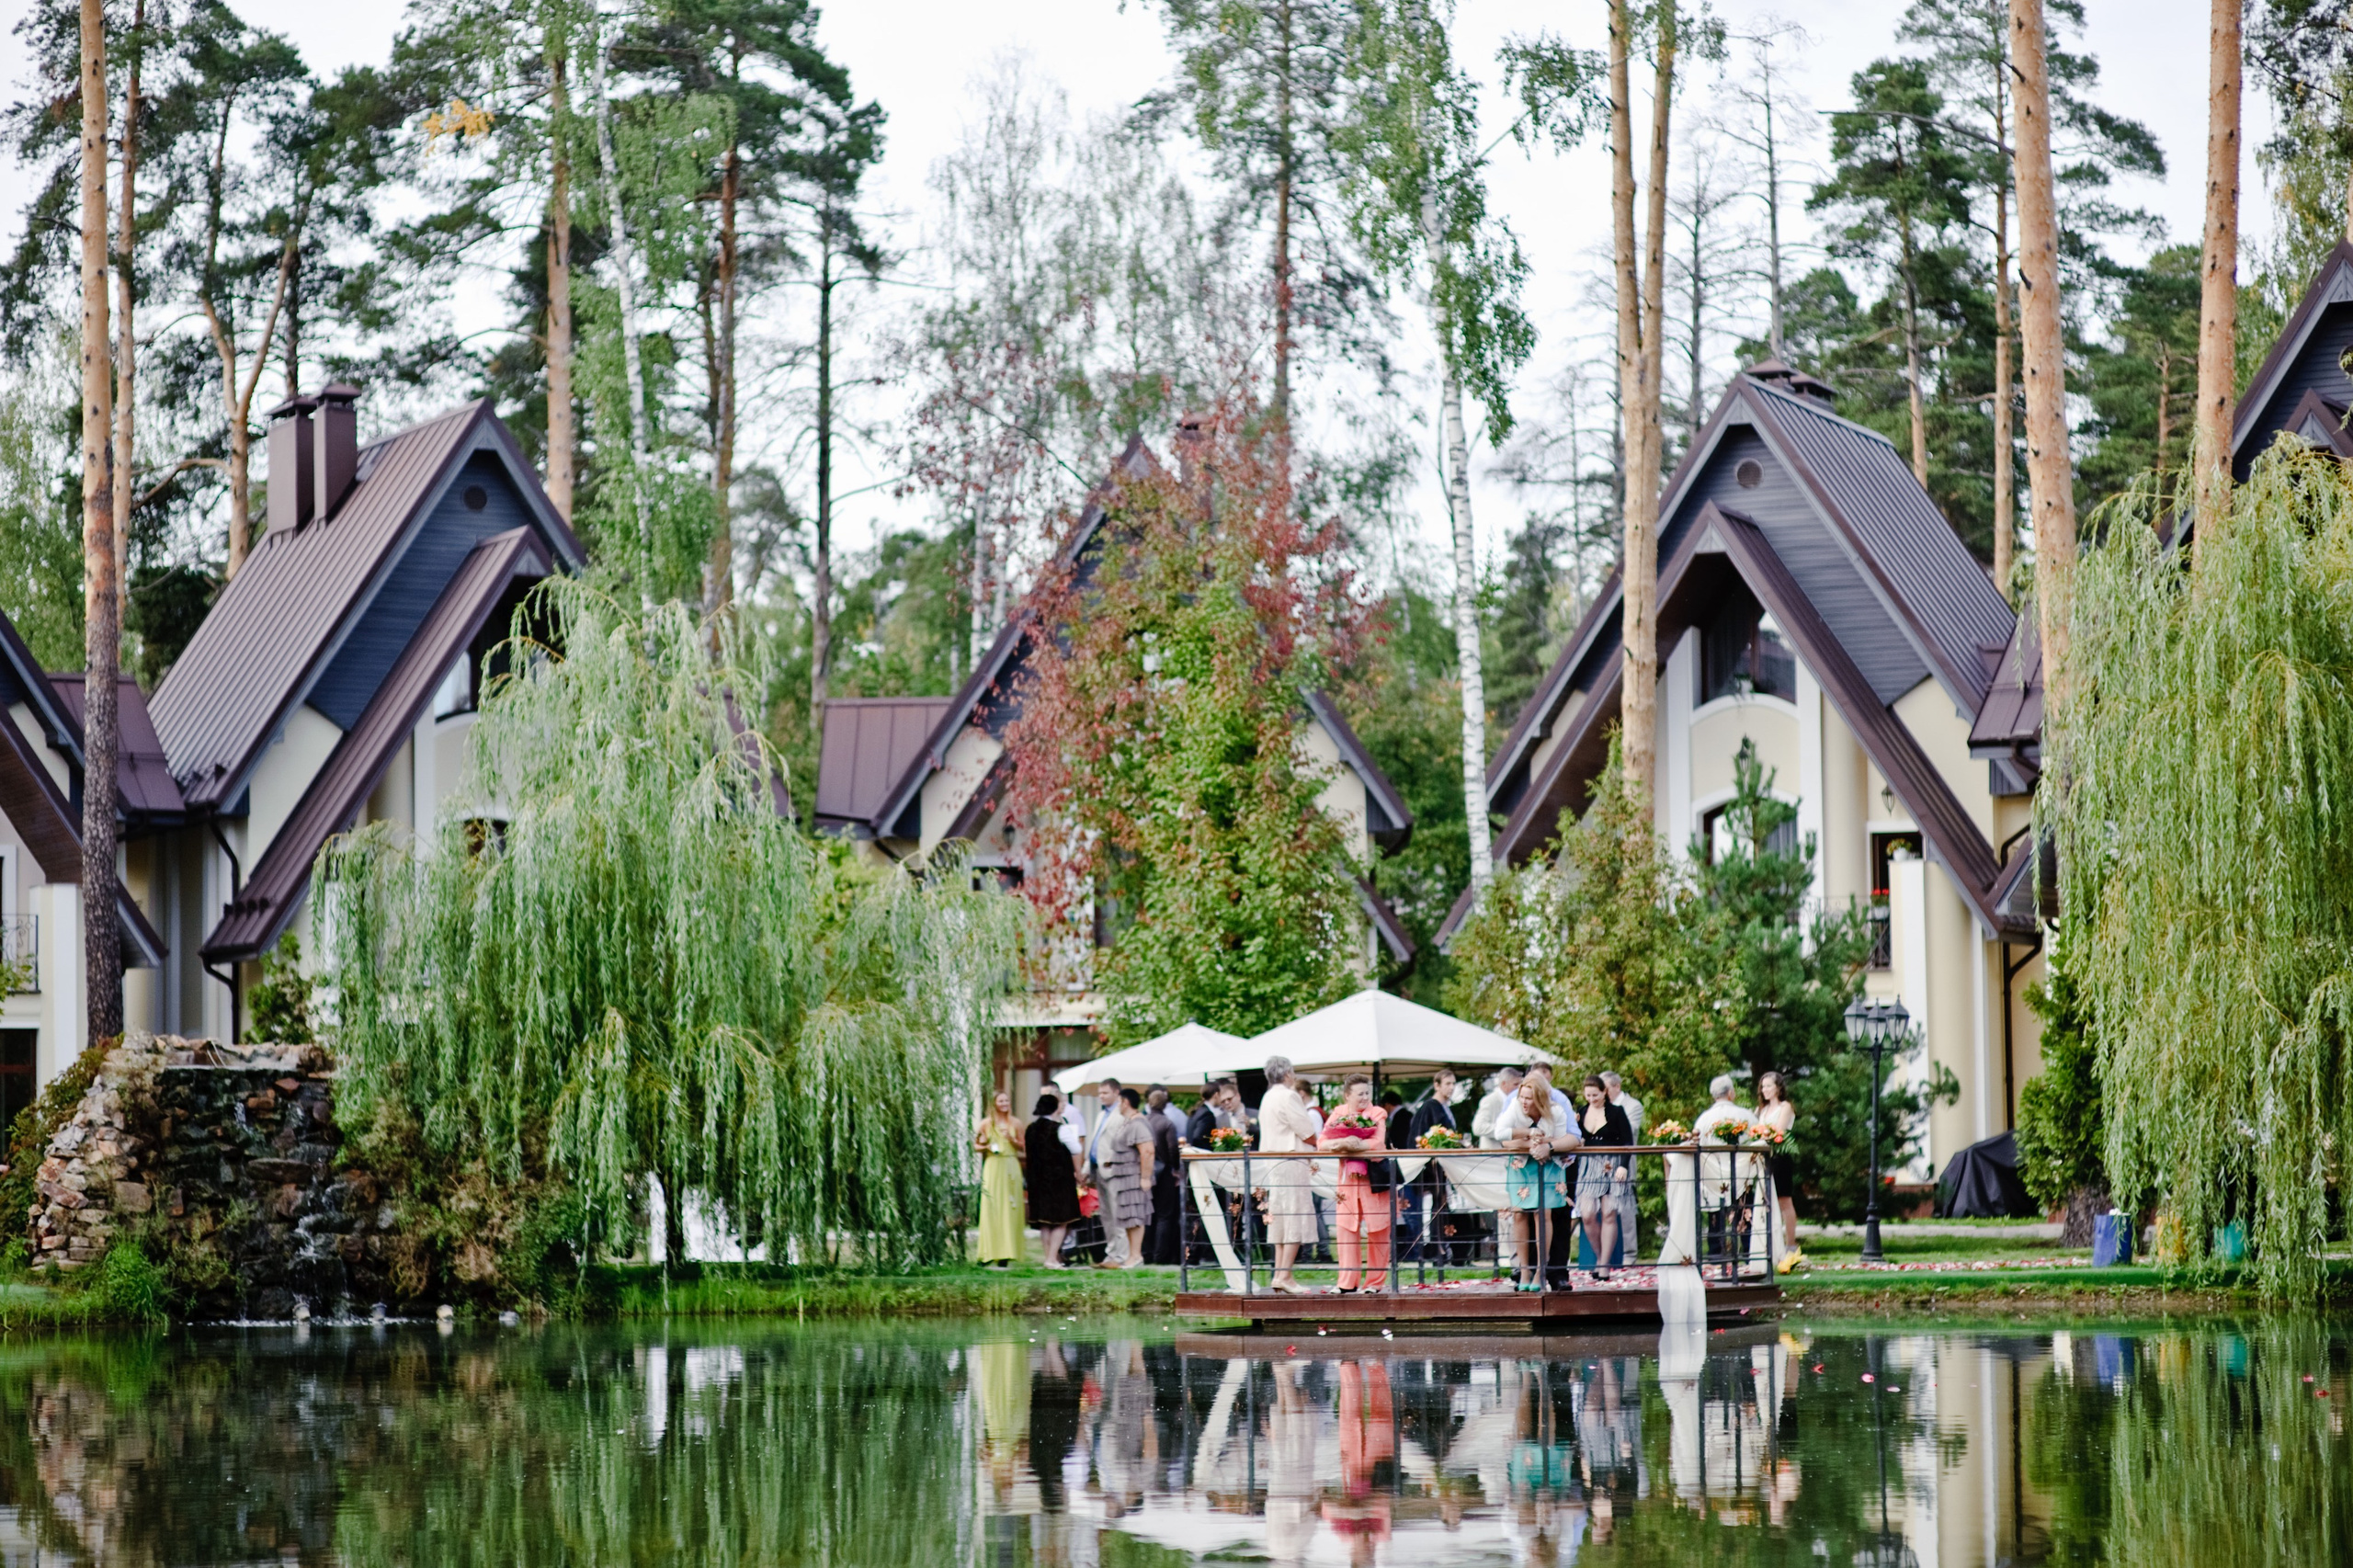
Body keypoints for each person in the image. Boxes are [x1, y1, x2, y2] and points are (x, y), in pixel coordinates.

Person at [1495, 1075, 1578, 1290]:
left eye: (1529, 1098)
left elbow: (1565, 1138)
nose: (1523, 1101)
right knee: (1519, 1213)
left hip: (1548, 1163)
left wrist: (1545, 1144)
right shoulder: (1514, 1107)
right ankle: (1524, 1270)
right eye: (1522, 1096)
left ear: (1540, 1099)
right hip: (1521, 1164)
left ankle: (1542, 1269)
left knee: (1544, 1214)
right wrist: (1528, 1134)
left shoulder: (1557, 1111)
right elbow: (1500, 1134)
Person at [1316, 1073, 1394, 1292]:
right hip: (1348, 1180)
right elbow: (1322, 1141)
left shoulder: (1377, 1112)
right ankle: (1346, 1283)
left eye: (1367, 1093)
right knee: (1345, 1229)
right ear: (1347, 1095)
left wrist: (1352, 1145)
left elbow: (1377, 1142)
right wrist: (1342, 1142)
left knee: (1378, 1229)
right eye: (1360, 1094)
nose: (1364, 1097)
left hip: (1374, 1177)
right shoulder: (1338, 1113)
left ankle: (1374, 1283)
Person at [1256, 1055, 1324, 1294]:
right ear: (1286, 1074)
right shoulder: (1289, 1095)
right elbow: (1306, 1131)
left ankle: (1280, 1273)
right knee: (1295, 1215)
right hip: (1291, 1160)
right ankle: (1285, 1274)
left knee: (1281, 1218)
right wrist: (1324, 1143)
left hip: (1274, 1162)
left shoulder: (1267, 1097)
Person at [1571, 1075, 1635, 1280]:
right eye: (1588, 1095)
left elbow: (1628, 1141)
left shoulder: (1617, 1112)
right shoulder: (1581, 1112)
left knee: (1609, 1213)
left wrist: (1623, 1166)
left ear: (1604, 1092)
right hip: (1589, 1165)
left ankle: (1605, 1263)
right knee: (1587, 1213)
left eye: (1595, 1095)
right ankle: (1599, 1257)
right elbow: (1576, 1137)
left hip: (1613, 1164)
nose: (1591, 1099)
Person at [1694, 1074, 1750, 1270]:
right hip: (1742, 1171)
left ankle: (1716, 1254)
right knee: (1744, 1211)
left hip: (1713, 1173)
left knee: (1715, 1214)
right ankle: (1748, 1252)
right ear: (1731, 1093)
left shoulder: (1703, 1119)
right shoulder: (1745, 1115)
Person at [1474, 1067, 1526, 1271]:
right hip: (1494, 1161)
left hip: (1508, 1160)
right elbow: (1478, 1128)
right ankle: (1506, 1254)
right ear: (1504, 1084)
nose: (1518, 1088)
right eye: (1515, 1085)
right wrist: (1505, 1132)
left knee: (1511, 1206)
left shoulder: (1516, 1102)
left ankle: (1513, 1254)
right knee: (1503, 1207)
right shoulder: (1490, 1101)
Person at [1097, 1087, 1155, 1268]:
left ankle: (1136, 1256)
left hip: (1134, 1177)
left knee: (1136, 1216)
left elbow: (1147, 1151)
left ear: (1126, 1102)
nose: (1117, 1106)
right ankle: (1132, 1256)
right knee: (1128, 1217)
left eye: (1119, 1102)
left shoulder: (1138, 1123)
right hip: (1123, 1178)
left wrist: (1145, 1178)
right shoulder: (1128, 1122)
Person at [1025, 1092, 1084, 1267]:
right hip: (1059, 1180)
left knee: (1044, 1222)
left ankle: (1048, 1257)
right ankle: (1052, 1258)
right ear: (1055, 1108)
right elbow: (1076, 1148)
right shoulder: (1060, 1129)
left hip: (1037, 1180)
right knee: (1061, 1220)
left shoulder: (1030, 1129)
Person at [1407, 1068, 1460, 1263]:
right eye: (1447, 1083)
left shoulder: (1445, 1107)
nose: (1451, 1087)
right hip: (1432, 1167)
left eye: (1453, 1083)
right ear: (1437, 1085)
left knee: (1441, 1204)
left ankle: (1441, 1247)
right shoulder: (1430, 1106)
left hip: (1442, 1166)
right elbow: (1419, 1136)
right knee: (1435, 1205)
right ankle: (1435, 1248)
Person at [972, 1090, 1027, 1267]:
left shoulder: (1016, 1123)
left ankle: (1007, 1253)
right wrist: (986, 1145)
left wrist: (1011, 1139)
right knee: (992, 1207)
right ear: (994, 1104)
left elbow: (1024, 1147)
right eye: (1001, 1101)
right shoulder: (986, 1124)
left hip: (1010, 1164)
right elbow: (976, 1145)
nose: (1005, 1103)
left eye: (1006, 1100)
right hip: (993, 1165)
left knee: (1010, 1208)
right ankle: (988, 1253)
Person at [1756, 1070, 1802, 1268]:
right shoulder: (1760, 1111)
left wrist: (1762, 1136)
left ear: (1778, 1088)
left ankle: (1791, 1245)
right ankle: (1769, 1246)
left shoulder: (1785, 1107)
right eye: (1763, 1086)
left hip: (1780, 1156)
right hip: (1762, 1158)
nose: (1765, 1090)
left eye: (1769, 1086)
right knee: (1765, 1202)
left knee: (1784, 1201)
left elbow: (1779, 1132)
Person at [1083, 1079, 1129, 1264]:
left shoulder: (1122, 1114)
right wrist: (1087, 1168)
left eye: (1105, 1093)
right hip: (1098, 1169)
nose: (1101, 1096)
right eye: (1099, 1093)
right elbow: (1094, 1143)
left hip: (1114, 1169)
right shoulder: (1101, 1114)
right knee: (1106, 1216)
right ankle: (1111, 1252)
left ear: (1116, 1092)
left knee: (1118, 1214)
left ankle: (1122, 1255)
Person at [1602, 1069, 1644, 1256]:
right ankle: (1606, 1254)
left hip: (1623, 1164)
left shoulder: (1633, 1106)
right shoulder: (1599, 1106)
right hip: (1600, 1166)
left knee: (1626, 1210)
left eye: (1606, 1088)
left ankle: (1630, 1253)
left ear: (1617, 1086)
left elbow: (1628, 1131)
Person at [1144, 1087, 1185, 1264]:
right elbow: (1172, 1149)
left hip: (1146, 1172)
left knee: (1148, 1214)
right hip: (1165, 1173)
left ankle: (1146, 1252)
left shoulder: (1143, 1122)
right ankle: (1160, 1256)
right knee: (1164, 1215)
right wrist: (1175, 1168)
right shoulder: (1166, 1123)